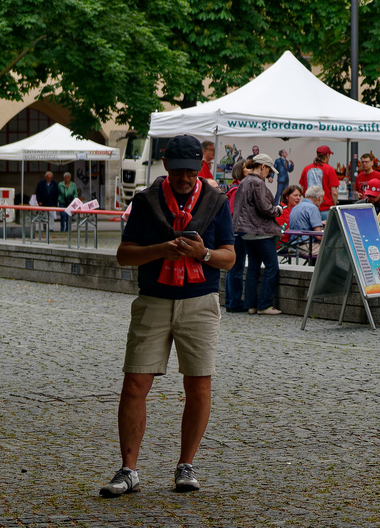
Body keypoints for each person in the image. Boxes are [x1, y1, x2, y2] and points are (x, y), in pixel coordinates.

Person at [101, 134, 235, 498]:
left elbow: (229, 257)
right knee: (134, 385)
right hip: (154, 300)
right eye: (179, 172)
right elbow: (124, 255)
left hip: (200, 301)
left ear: (200, 169)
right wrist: (161, 249)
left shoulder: (216, 202)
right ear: (166, 167)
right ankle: (129, 470)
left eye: (192, 171)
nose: (185, 178)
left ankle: (186, 465)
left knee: (198, 385)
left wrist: (202, 254)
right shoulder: (146, 201)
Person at [233, 154, 283, 316]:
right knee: (272, 267)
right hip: (260, 231)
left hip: (245, 232)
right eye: (268, 169)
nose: (269, 174)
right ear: (262, 166)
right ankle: (264, 305)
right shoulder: (257, 182)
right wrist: (278, 210)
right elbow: (265, 208)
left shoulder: (244, 181)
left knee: (253, 268)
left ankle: (251, 305)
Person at [223, 163, 249, 312]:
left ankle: (231, 300)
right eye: (248, 167)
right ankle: (234, 301)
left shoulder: (235, 188)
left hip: (234, 232)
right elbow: (233, 213)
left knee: (234, 267)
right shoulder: (237, 189)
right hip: (237, 233)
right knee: (236, 267)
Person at [300, 147, 338, 212]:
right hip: (325, 208)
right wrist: (334, 206)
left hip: (309, 207)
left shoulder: (306, 169)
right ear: (327, 155)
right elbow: (334, 192)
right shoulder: (330, 169)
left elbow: (302, 190)